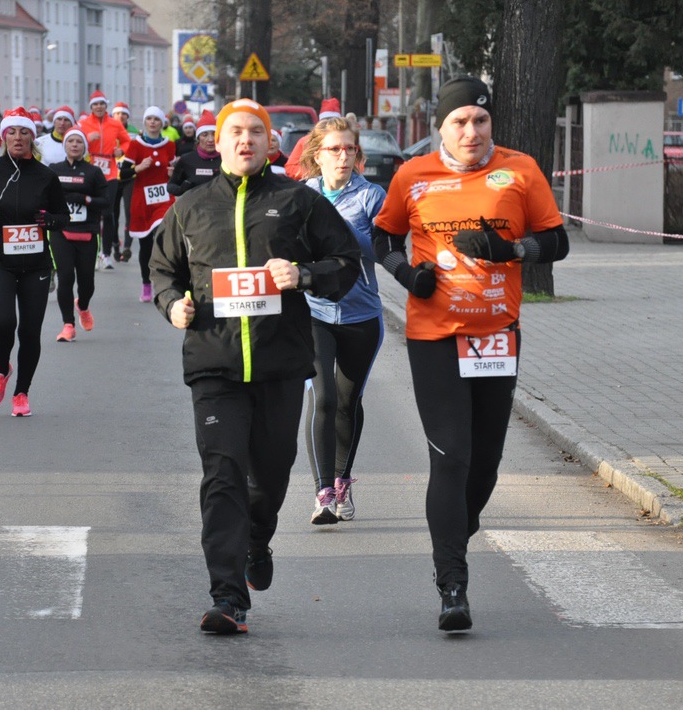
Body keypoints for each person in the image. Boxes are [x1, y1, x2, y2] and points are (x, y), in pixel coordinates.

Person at [149, 98, 361, 635]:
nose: (245, 140)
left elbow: (345, 263)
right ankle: (227, 597)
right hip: (214, 364)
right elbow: (163, 269)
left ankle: (257, 540)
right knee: (222, 475)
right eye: (235, 132)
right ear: (217, 142)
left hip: (279, 365)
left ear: (271, 143)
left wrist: (304, 276)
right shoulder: (191, 206)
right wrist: (172, 304)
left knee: (268, 475)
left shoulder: (298, 201)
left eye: (255, 132)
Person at [371, 76, 569, 632]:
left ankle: (455, 529)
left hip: (497, 336)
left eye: (480, 120)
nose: (471, 131)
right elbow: (382, 237)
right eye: (459, 121)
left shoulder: (520, 170)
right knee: (451, 456)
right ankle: (452, 584)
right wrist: (407, 275)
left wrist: (512, 249)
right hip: (434, 336)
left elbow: (557, 241)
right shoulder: (413, 175)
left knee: (485, 464)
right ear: (441, 127)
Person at [296, 117, 386, 524]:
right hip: (314, 313)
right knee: (323, 398)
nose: (343, 156)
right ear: (318, 155)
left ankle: (342, 478)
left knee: (349, 403)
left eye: (350, 149)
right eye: (334, 149)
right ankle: (323, 493)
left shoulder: (371, 196)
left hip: (361, 315)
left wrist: (341, 229)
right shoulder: (304, 195)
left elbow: (382, 250)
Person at [0, 107, 69, 417]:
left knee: (30, 332)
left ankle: (22, 393)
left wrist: (50, 220)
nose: (18, 137)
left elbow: (63, 216)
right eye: (12, 132)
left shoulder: (46, 176)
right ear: (4, 136)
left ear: (32, 138)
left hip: (36, 264)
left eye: (24, 132)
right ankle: (1, 369)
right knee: (3, 322)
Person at [48, 128, 109, 341]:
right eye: (71, 141)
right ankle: (68, 325)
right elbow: (44, 195)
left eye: (79, 142)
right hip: (61, 232)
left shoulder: (94, 172)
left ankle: (82, 306)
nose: (74, 145)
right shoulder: (54, 169)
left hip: (87, 233)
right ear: (64, 145)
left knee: (87, 282)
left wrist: (85, 199)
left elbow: (106, 201)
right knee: (65, 277)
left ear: (85, 147)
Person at [119, 106, 175, 303]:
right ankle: (146, 283)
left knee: (162, 235)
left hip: (164, 199)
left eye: (156, 119)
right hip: (142, 199)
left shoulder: (170, 145)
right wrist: (138, 168)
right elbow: (122, 174)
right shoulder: (136, 145)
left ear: (162, 123)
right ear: (144, 122)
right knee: (146, 244)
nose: (152, 122)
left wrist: (173, 174)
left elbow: (174, 171)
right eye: (149, 119)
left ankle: (165, 280)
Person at [78, 89, 131, 268]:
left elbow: (127, 141)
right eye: (95, 104)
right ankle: (92, 252)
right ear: (91, 107)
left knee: (108, 213)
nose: (99, 107)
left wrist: (121, 150)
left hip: (110, 172)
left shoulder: (115, 124)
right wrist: (87, 138)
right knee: (91, 212)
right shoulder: (84, 123)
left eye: (102, 104)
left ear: (106, 106)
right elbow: (74, 141)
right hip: (90, 170)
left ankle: (105, 253)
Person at [166, 109, 220, 197]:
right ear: (198, 138)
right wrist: (181, 189)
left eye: (214, 134)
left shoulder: (226, 160)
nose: (210, 139)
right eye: (205, 135)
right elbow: (171, 185)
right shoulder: (186, 160)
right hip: (195, 205)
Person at [284, 97, 341, 179]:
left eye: (334, 122)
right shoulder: (305, 141)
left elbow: (357, 167)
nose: (329, 125)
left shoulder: (347, 141)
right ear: (320, 123)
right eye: (326, 121)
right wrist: (314, 173)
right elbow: (290, 168)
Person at [111, 102, 140, 262]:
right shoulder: (108, 129)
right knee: (113, 214)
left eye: (123, 114)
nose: (120, 116)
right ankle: (116, 245)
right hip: (112, 177)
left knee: (130, 213)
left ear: (128, 116)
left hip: (130, 177)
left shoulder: (135, 132)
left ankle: (127, 247)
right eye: (117, 113)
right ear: (113, 115)